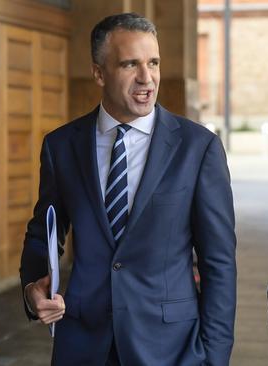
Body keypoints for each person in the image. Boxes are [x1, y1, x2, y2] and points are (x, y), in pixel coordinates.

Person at [20, 13, 236, 365]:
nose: (146, 78)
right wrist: (32, 288)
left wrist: (215, 356)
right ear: (99, 73)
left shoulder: (198, 148)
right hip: (82, 342)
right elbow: (42, 231)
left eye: (153, 63)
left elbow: (219, 262)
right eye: (130, 64)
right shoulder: (62, 146)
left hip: (171, 346)